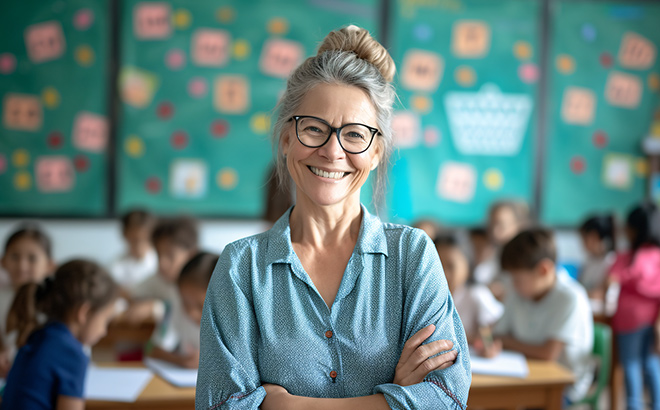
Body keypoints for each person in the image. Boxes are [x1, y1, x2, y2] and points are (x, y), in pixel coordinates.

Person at [197, 25, 470, 410]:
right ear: (287, 138)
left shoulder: (412, 255)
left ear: (376, 152)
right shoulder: (241, 267)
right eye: (314, 129)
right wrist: (391, 396)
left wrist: (283, 404)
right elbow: (221, 405)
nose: (332, 151)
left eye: (355, 135)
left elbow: (446, 397)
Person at [487, 228, 593, 404]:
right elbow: (497, 335)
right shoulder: (517, 293)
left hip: (562, 386)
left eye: (518, 279)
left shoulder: (570, 298)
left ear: (543, 270)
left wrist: (506, 341)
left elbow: (547, 354)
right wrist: (493, 344)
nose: (514, 284)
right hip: (523, 375)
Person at [0, 259, 119, 410]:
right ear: (84, 312)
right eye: (105, 320)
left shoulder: (37, 335)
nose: (104, 331)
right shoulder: (72, 354)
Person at [608, 203, 660, 410]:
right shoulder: (657, 255)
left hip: (630, 319)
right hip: (654, 318)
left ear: (632, 229)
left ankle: (633, 407)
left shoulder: (629, 257)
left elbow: (610, 279)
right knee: (651, 364)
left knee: (630, 364)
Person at [0, 223, 55, 378]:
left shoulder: (55, 303)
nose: (22, 266)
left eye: (32, 258)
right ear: (2, 261)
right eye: (15, 257)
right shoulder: (2, 298)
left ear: (50, 265)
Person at [148, 251, 218, 369]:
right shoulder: (175, 308)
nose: (191, 313)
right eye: (185, 303)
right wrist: (180, 360)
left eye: (200, 306)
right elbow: (152, 350)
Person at [123, 216, 198, 324]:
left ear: (191, 255)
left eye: (170, 256)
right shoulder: (159, 279)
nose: (162, 263)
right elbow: (131, 294)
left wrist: (155, 307)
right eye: (158, 255)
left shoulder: (199, 286)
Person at [435, 234, 502, 345]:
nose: (444, 273)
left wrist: (486, 344)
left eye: (451, 266)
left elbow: (491, 334)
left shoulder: (477, 294)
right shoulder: (428, 299)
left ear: (466, 265)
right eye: (438, 266)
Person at [108, 209, 158, 292]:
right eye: (135, 240)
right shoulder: (114, 268)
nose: (140, 245)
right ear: (125, 234)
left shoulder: (162, 263)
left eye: (146, 239)